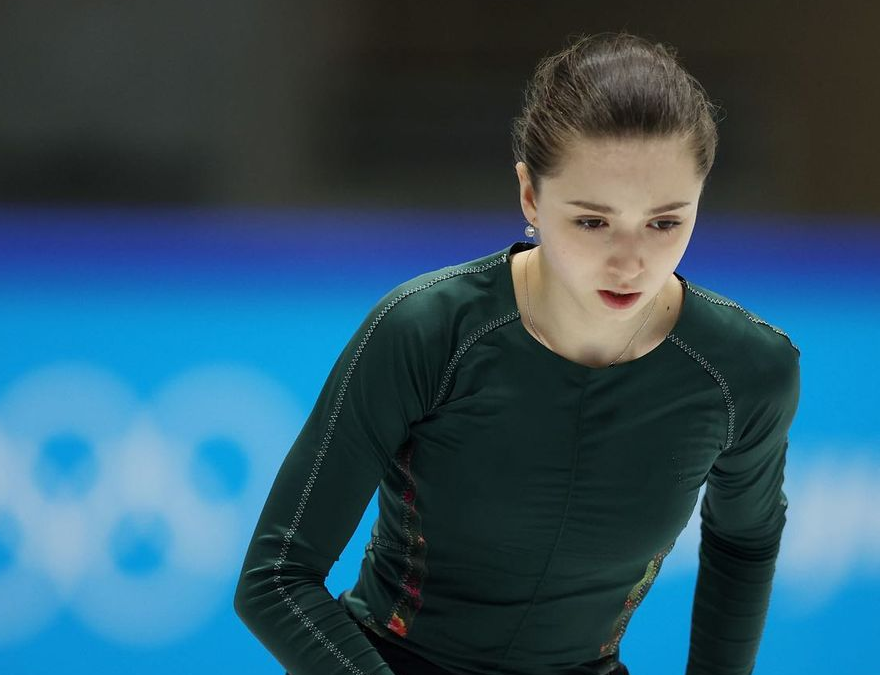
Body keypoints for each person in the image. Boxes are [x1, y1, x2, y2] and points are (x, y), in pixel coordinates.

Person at [233, 30, 801, 675]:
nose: (630, 262)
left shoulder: (746, 370)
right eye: (593, 221)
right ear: (530, 195)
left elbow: (745, 543)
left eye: (665, 222)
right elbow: (275, 580)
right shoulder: (425, 332)